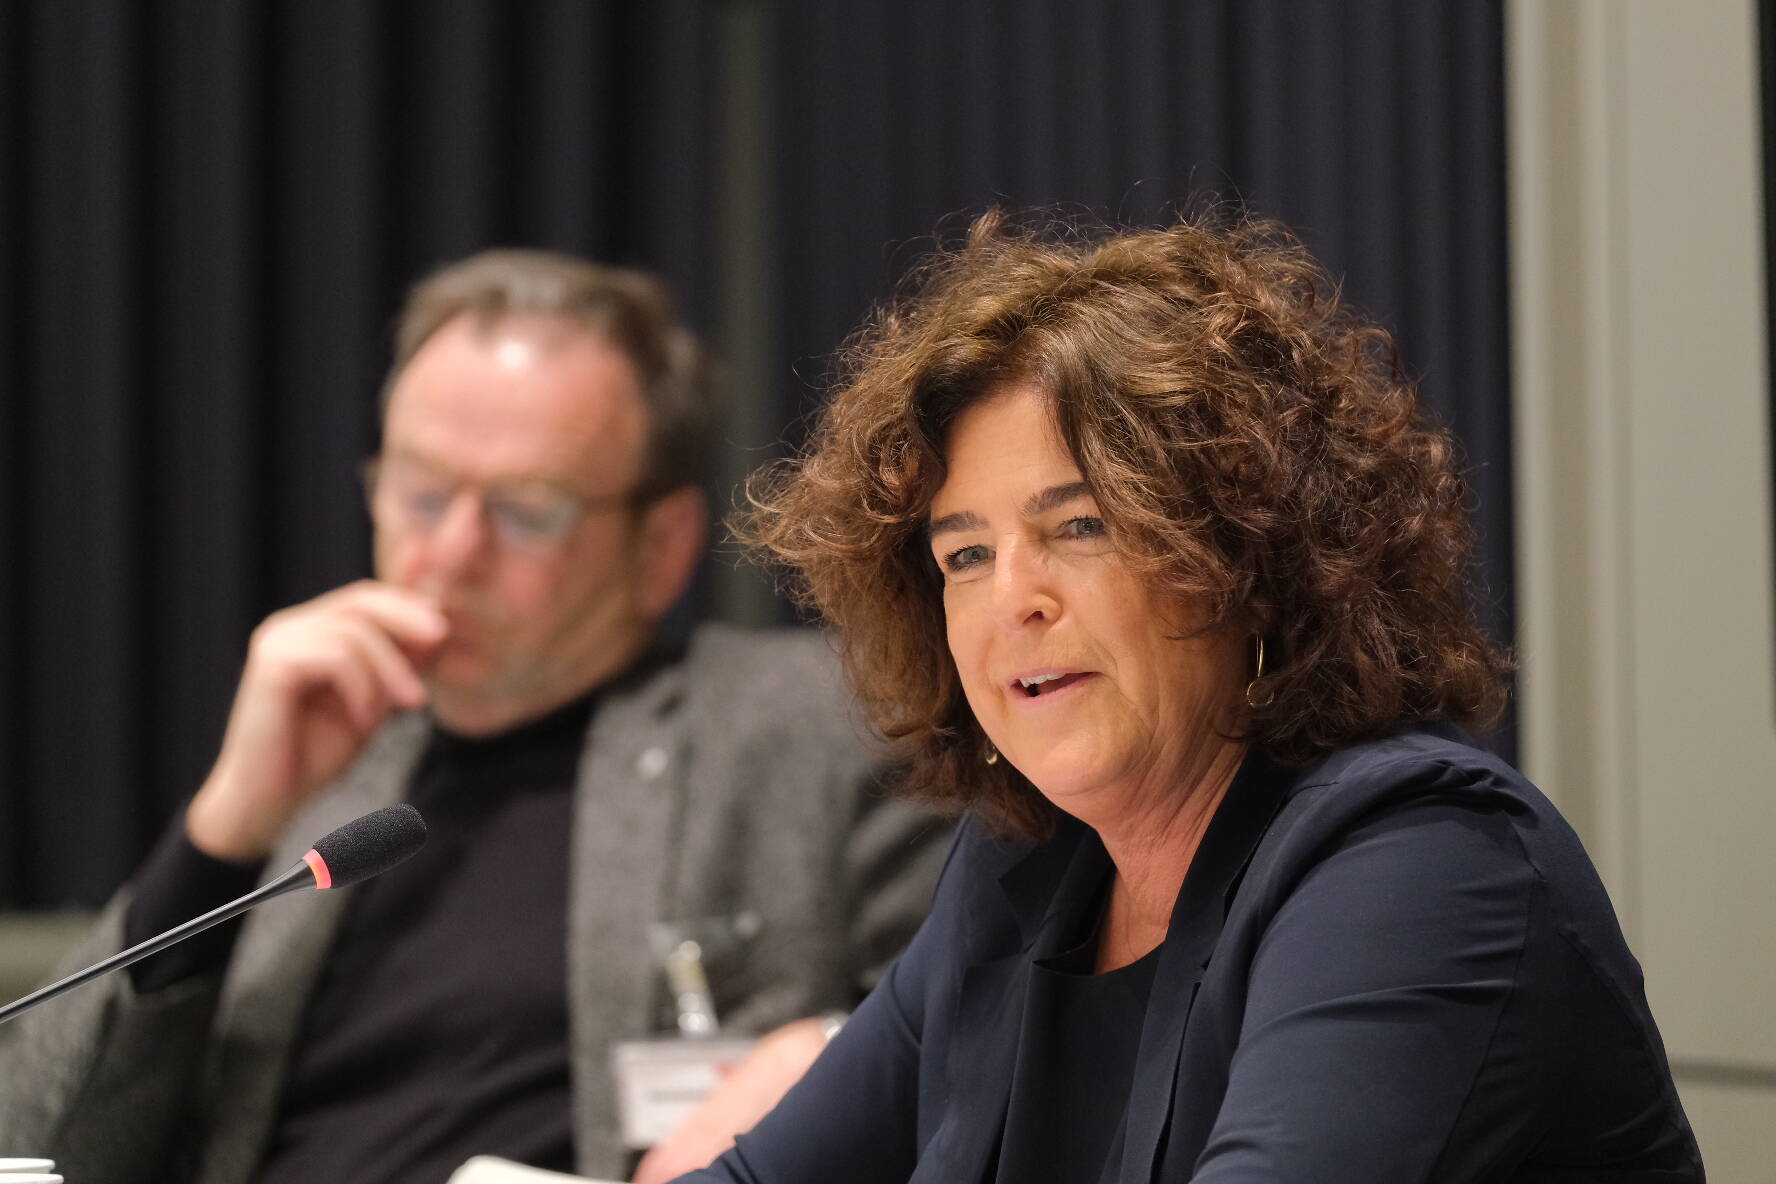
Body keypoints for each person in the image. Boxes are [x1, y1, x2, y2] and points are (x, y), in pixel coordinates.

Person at [676, 212, 1705, 1182]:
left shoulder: (1423, 864)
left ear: (1246, 554)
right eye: (966, 554)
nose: (1012, 600)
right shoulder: (1021, 865)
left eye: (1082, 526)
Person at [0, 251, 949, 1184]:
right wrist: (224, 830)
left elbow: (976, 1039)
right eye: (420, 493)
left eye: (527, 512)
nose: (450, 554)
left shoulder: (817, 724)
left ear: (659, 547)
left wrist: (833, 1053)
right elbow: (36, 1135)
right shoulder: (327, 767)